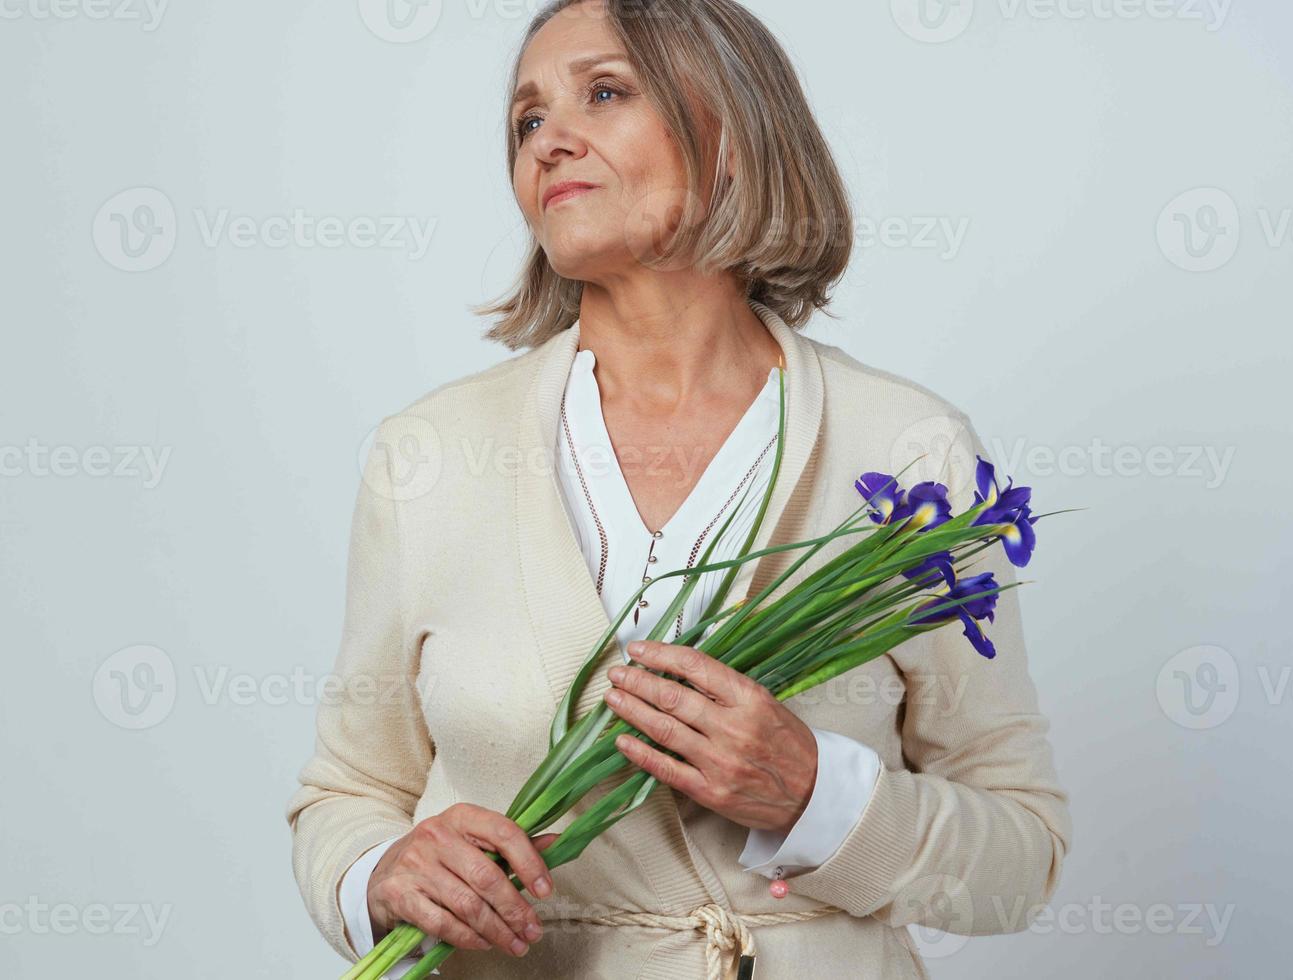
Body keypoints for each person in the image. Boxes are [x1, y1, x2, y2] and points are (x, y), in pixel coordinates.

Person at [286, 1, 1071, 976]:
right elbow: (347, 788)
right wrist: (377, 873)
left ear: (732, 134)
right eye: (526, 120)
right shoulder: (429, 454)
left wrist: (815, 793)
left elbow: (1020, 854)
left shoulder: (909, 450)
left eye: (603, 93)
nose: (549, 141)